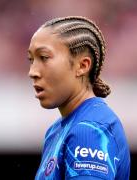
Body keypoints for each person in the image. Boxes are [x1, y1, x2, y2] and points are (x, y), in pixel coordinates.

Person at [27, 16, 130, 180]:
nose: (32, 72)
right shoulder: (56, 130)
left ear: (82, 65)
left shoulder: (90, 129)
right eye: (31, 60)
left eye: (44, 58)